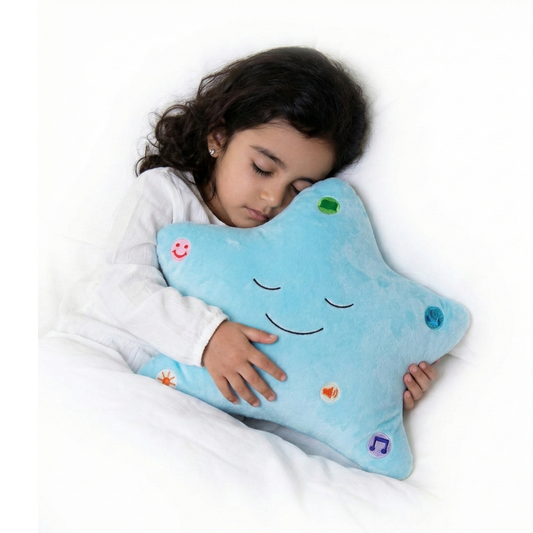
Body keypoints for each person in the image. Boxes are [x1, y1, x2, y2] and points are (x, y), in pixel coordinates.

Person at [56, 46, 437, 412]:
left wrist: (379, 383)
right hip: (104, 356)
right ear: (218, 137)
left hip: (195, 404)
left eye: (299, 188)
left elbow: (306, 339)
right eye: (262, 168)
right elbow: (122, 284)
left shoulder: (286, 245)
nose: (273, 198)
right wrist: (208, 337)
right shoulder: (164, 193)